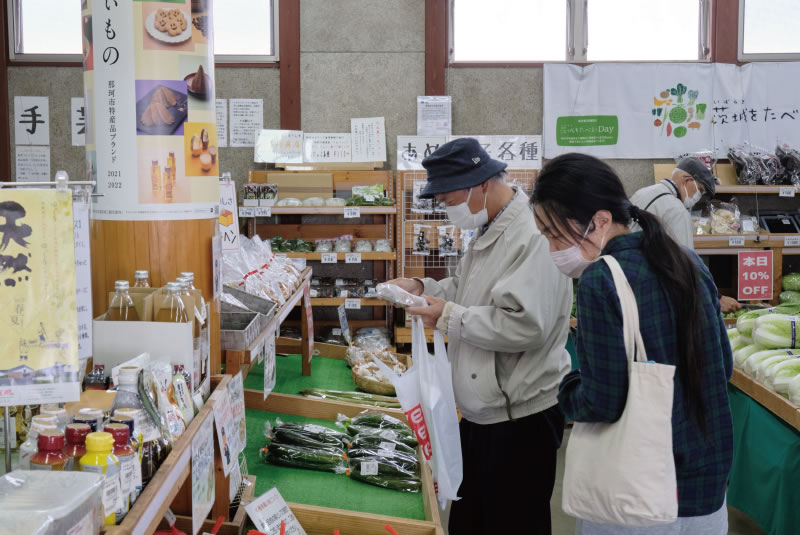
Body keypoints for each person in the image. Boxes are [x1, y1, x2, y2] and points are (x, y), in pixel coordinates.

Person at [531, 153, 733, 535]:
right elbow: (723, 366)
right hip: (706, 487)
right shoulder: (689, 261)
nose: (552, 247)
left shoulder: (601, 281)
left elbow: (602, 402)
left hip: (636, 495)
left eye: (555, 234)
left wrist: (567, 385)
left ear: (601, 221)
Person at [386, 138, 572, 535]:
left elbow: (525, 325)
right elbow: (470, 290)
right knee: (474, 519)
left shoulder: (531, 234)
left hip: (519, 419)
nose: (446, 207)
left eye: (449, 196)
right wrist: (423, 288)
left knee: (512, 522)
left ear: (481, 184)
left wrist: (448, 316)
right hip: (483, 412)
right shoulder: (492, 226)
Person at [630, 157, 741, 314]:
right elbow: (685, 264)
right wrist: (715, 297)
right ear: (688, 180)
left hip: (631, 279)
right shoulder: (676, 210)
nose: (698, 197)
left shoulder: (643, 192)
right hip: (652, 288)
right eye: (700, 190)